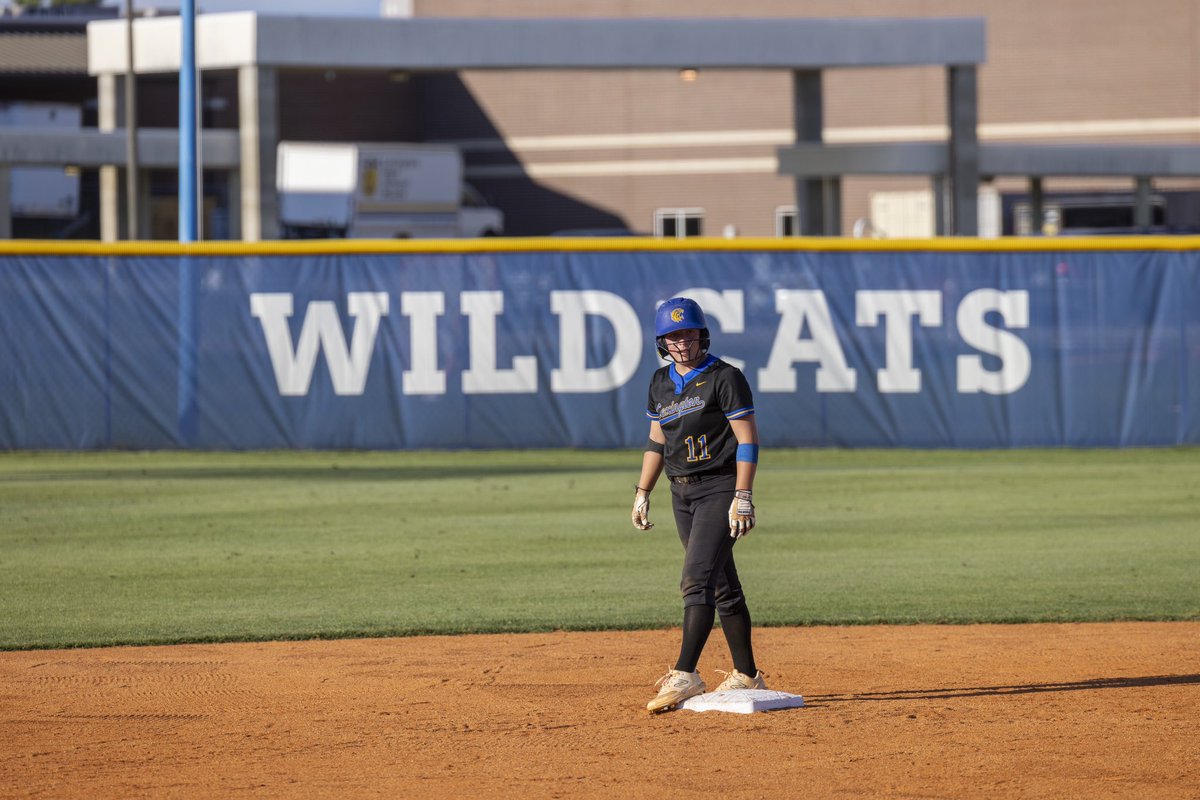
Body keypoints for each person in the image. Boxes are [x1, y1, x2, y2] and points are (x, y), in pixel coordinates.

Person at [632, 296, 766, 713]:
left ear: (701, 334)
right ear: (662, 341)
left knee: (696, 580)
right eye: (673, 335)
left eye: (688, 332)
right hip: (681, 491)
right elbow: (657, 441)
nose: (682, 341)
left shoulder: (725, 377)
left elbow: (747, 439)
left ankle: (686, 674)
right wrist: (642, 491)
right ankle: (747, 675)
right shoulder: (659, 382)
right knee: (722, 584)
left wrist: (742, 496)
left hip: (720, 487)